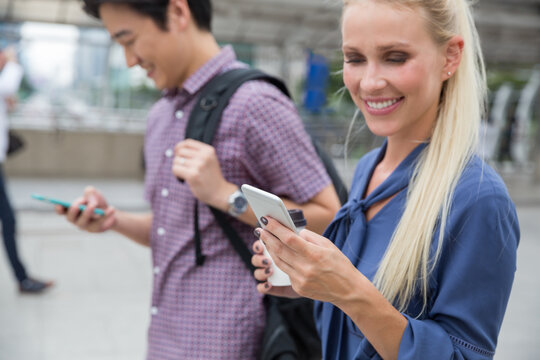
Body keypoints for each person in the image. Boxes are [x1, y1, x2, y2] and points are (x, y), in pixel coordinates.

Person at [57, 0, 341, 358]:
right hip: (165, 338)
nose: (129, 60)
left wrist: (226, 195)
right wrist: (112, 220)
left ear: (177, 12)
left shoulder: (255, 103)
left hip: (233, 343)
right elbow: (173, 230)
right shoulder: (161, 114)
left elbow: (330, 215)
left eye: (129, 40)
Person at [252, 0, 520, 359]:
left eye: (395, 57)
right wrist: (307, 281)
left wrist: (349, 291)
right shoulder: (367, 168)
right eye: (355, 59)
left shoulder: (478, 199)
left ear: (450, 58)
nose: (370, 82)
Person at [0, 47, 54, 294]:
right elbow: (8, 87)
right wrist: (12, 63)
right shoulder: (7, 76)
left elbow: (8, 98)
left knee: (9, 219)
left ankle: (22, 279)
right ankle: (22, 279)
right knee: (8, 219)